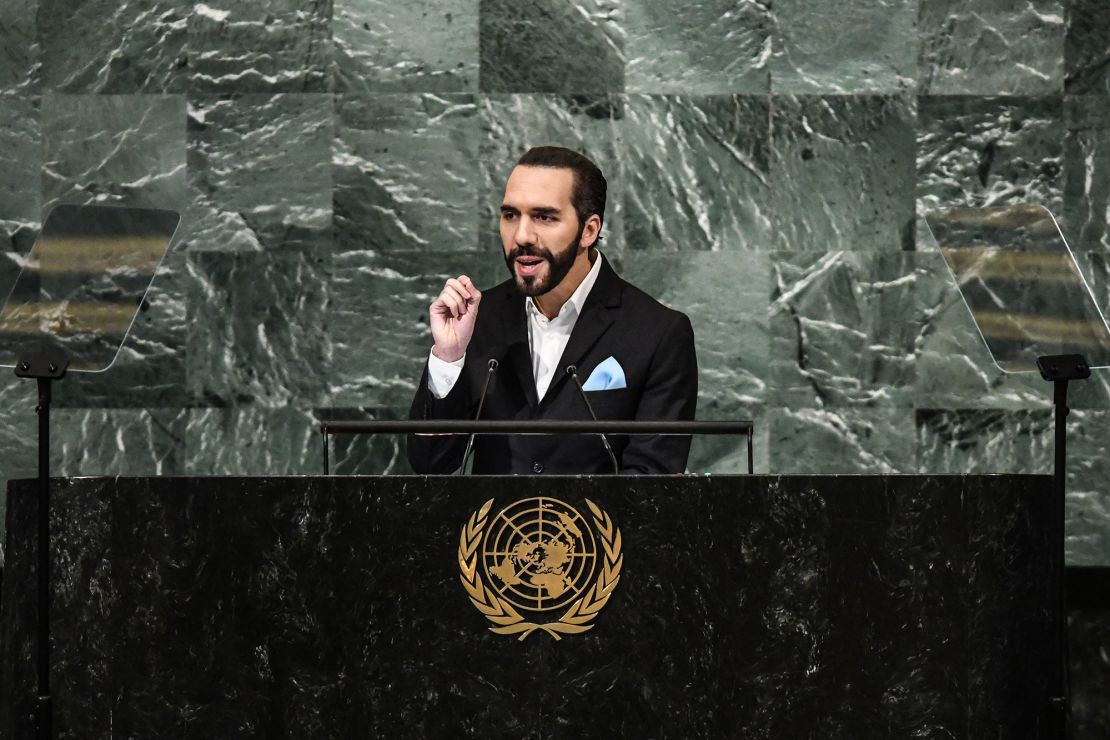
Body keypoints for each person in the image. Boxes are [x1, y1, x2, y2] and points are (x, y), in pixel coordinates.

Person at [407, 146, 697, 474]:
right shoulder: (478, 319)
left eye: (544, 217)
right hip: (493, 526)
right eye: (510, 215)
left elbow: (652, 482)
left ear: (588, 230)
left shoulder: (658, 332)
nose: (522, 235)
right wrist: (448, 357)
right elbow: (430, 464)